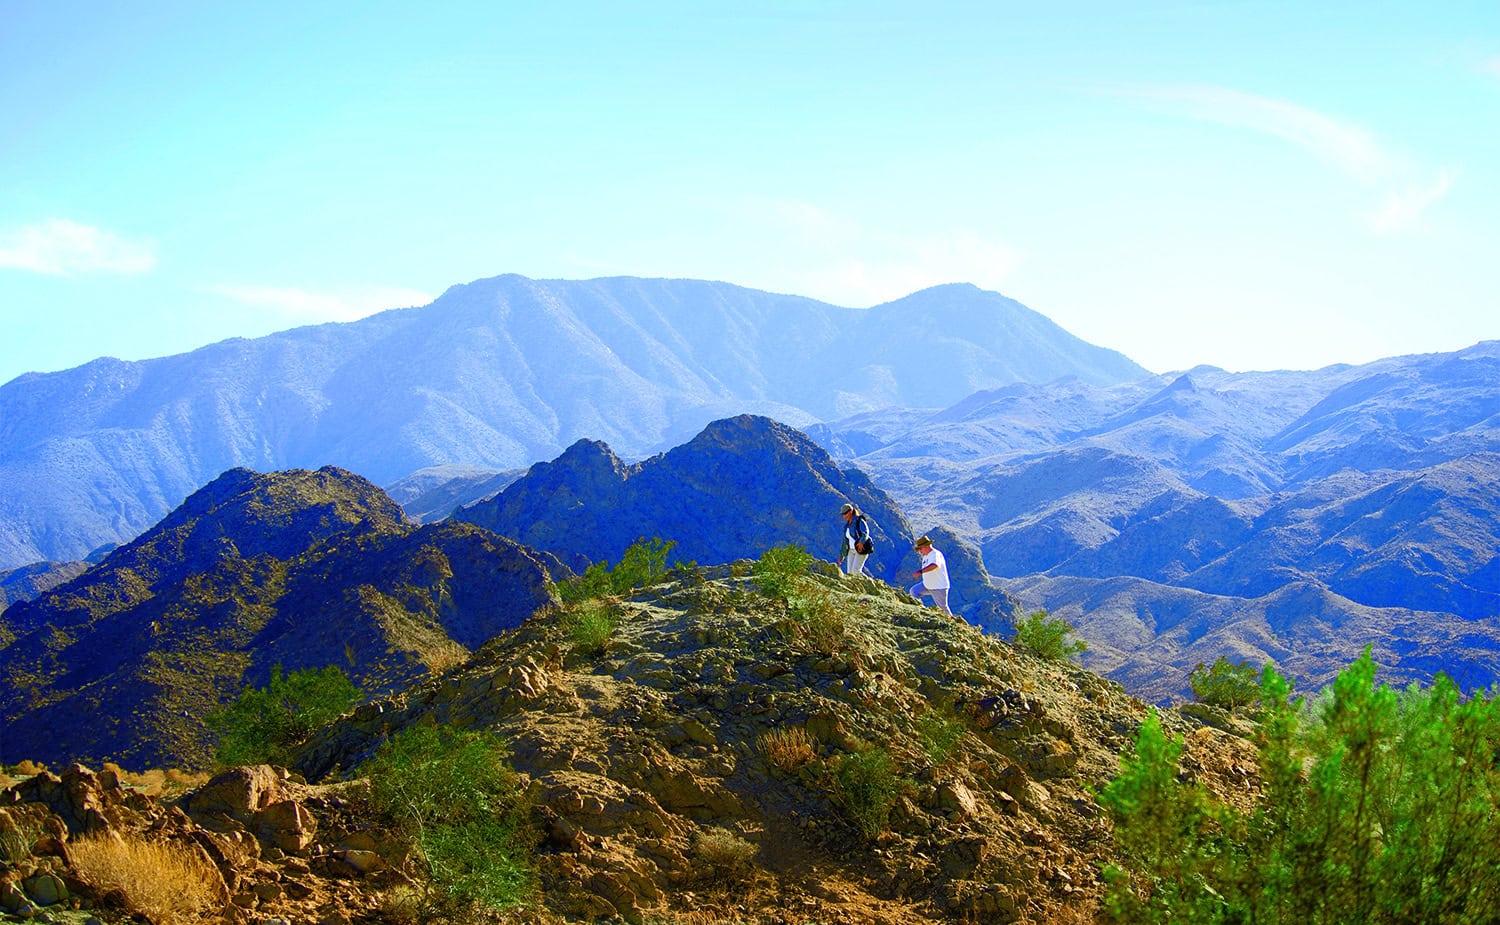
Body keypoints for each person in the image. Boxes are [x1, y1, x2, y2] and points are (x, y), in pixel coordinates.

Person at [909, 535, 952, 614]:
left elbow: (935, 565)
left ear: (926, 546)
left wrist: (920, 572)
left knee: (943, 608)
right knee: (914, 591)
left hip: (938, 587)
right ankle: (919, 611)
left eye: (920, 549)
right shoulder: (926, 556)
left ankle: (954, 623)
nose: (920, 551)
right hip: (927, 585)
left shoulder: (935, 554)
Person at [836, 502, 874, 577]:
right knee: (850, 573)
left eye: (845, 513)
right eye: (843, 514)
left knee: (856, 571)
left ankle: (868, 582)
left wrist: (861, 542)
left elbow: (865, 532)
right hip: (851, 550)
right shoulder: (846, 526)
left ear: (850, 511)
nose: (844, 516)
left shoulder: (859, 520)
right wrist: (842, 556)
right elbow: (845, 542)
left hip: (860, 549)